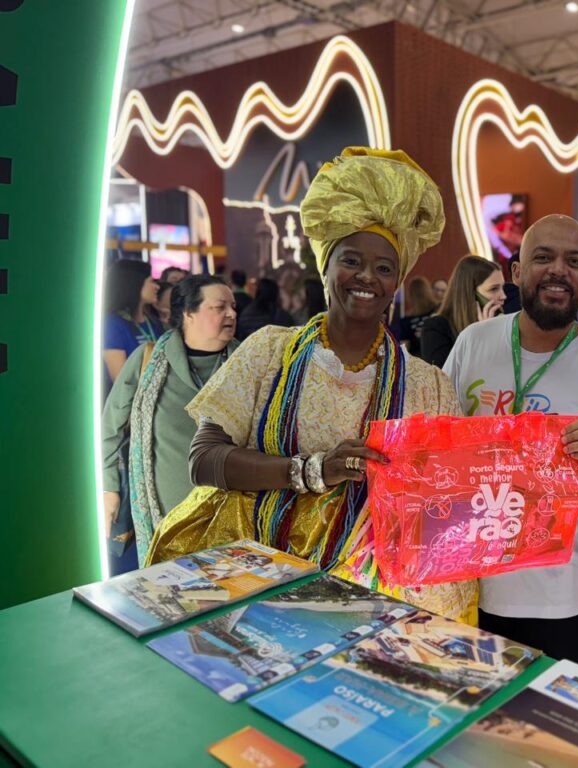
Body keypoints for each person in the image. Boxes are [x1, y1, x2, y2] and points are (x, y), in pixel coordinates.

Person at [146, 147, 475, 622]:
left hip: (374, 603)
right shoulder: (269, 351)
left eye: (385, 268)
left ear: (397, 282)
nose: (367, 277)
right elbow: (204, 460)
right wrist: (311, 470)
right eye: (352, 260)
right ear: (325, 267)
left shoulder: (430, 385)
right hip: (262, 582)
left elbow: (447, 504)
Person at [443, 214, 578, 669]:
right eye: (543, 257)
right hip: (468, 585)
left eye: (574, 261)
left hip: (564, 599)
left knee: (552, 716)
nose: (559, 270)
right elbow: (435, 451)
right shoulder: (473, 345)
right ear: (516, 272)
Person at [101, 275, 239, 567]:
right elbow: (111, 427)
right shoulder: (149, 360)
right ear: (188, 313)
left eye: (233, 306)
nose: (231, 314)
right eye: (220, 307)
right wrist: (110, 488)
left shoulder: (249, 362)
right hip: (165, 520)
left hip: (232, 518)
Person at [420, 255, 505, 367]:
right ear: (471, 294)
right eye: (493, 289)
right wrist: (481, 336)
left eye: (502, 288)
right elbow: (444, 375)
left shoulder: (503, 325)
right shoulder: (436, 328)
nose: (503, 296)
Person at [102, 259, 163, 389]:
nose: (157, 286)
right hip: (131, 398)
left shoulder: (153, 322)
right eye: (151, 281)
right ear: (134, 284)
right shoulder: (113, 325)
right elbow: (121, 380)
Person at [392, 275, 437, 358]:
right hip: (435, 355)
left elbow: (404, 345)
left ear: (410, 295)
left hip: (417, 359)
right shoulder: (437, 310)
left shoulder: (406, 321)